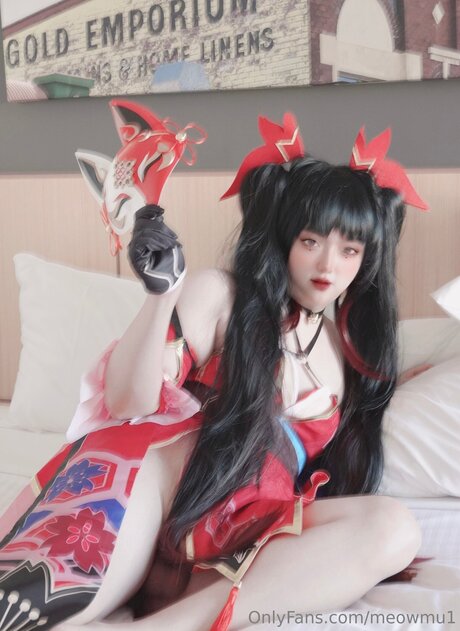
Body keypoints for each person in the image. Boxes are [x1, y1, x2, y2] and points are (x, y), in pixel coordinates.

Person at [0, 113, 429, 631]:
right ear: (285, 237)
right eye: (311, 241)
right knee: (22, 614)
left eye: (350, 250)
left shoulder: (351, 356)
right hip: (163, 495)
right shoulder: (224, 296)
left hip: (247, 537)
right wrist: (161, 297)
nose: (328, 266)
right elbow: (127, 402)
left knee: (394, 528)